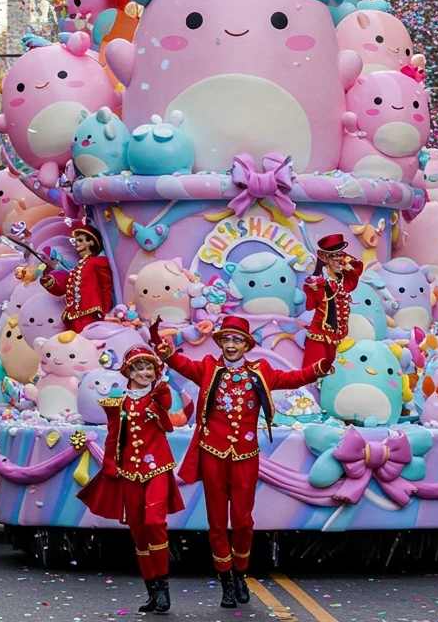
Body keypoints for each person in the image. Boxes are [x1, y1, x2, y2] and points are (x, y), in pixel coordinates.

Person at [156, 314, 331, 608]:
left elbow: (292, 379)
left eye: (237, 339)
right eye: (227, 338)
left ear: (247, 344)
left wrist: (318, 369)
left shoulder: (260, 371)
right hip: (213, 454)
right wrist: (167, 353)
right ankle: (225, 579)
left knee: (242, 521)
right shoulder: (209, 368)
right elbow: (181, 365)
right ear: (221, 342)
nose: (231, 344)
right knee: (215, 522)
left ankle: (240, 574)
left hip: (245, 457)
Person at [78, 345, 182, 615]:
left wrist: (161, 392)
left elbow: (167, 415)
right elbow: (113, 436)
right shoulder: (118, 403)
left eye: (149, 368)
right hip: (129, 472)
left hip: (157, 468)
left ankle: (162, 585)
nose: (145, 372)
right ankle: (151, 590)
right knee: (138, 531)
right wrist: (111, 464)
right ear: (129, 372)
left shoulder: (159, 395)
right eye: (139, 368)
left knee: (154, 522)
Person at [37, 223, 114, 333]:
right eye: (76, 241)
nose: (77, 244)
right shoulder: (78, 266)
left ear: (91, 242)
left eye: (80, 240)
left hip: (90, 313)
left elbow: (106, 287)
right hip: (74, 315)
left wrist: (106, 312)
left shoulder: (97, 262)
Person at [302, 234, 363, 367]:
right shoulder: (317, 281)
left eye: (340, 255)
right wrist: (315, 289)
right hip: (320, 337)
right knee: (313, 373)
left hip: (341, 338)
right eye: (334, 256)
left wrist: (346, 261)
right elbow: (310, 305)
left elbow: (356, 267)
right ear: (324, 257)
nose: (339, 260)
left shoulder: (344, 277)